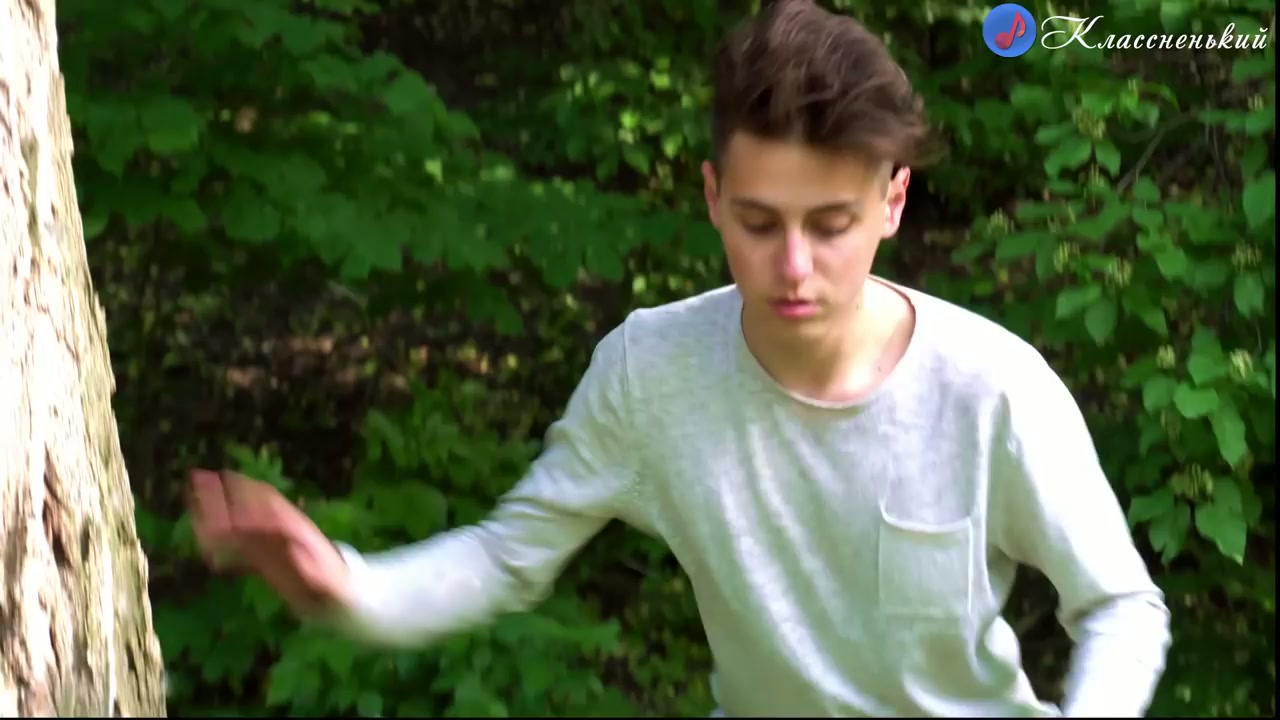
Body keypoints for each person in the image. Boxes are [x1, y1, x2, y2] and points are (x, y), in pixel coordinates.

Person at [188, 0, 1172, 716]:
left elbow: (1120, 609)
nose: (793, 266)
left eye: (830, 224)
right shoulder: (650, 371)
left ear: (892, 203)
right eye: (758, 222)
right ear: (711, 197)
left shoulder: (992, 387)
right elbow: (506, 558)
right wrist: (349, 587)